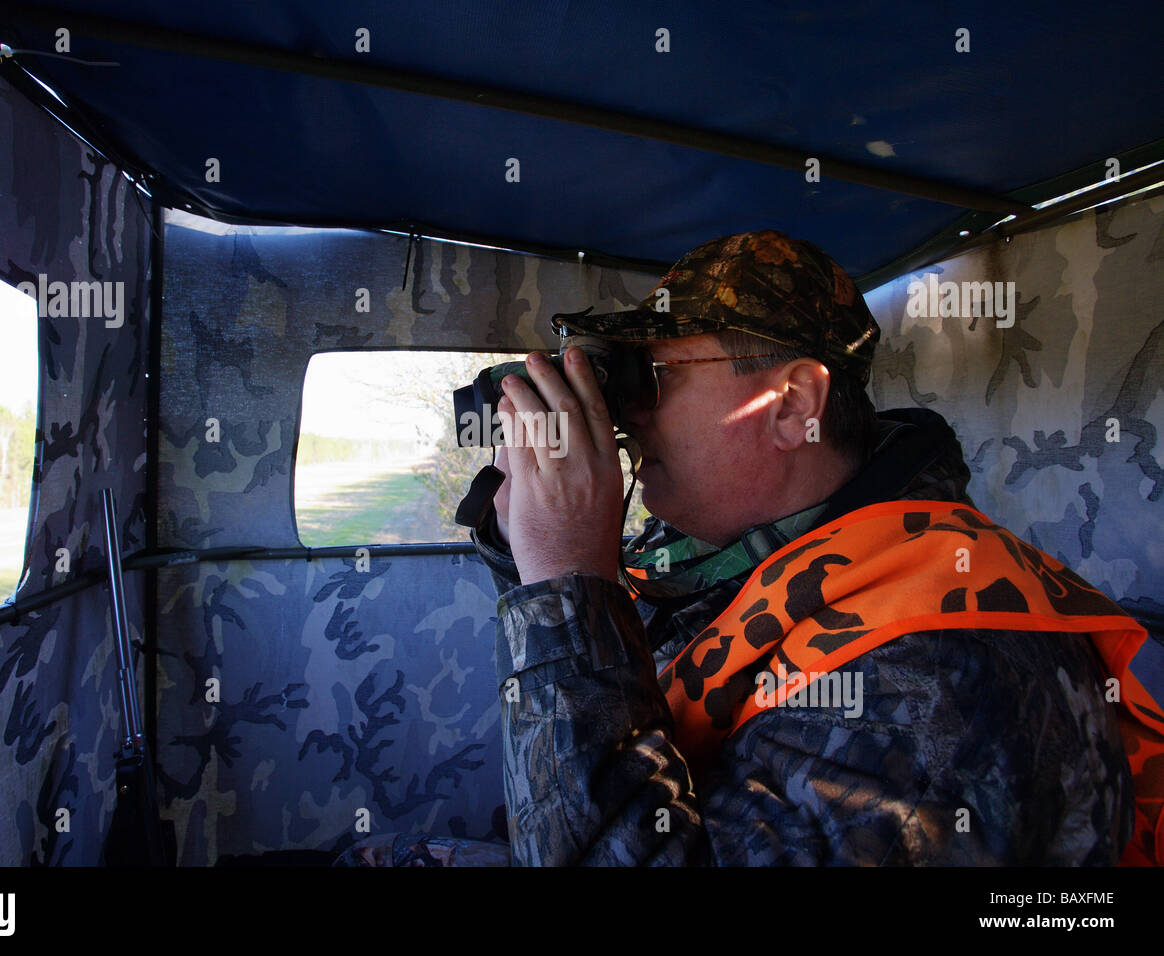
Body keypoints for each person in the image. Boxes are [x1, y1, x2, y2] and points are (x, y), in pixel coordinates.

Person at [466, 229, 1156, 866]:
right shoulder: (737, 557)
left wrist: (565, 580)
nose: (628, 411)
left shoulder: (941, 667)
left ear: (795, 405)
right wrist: (533, 557)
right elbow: (616, 702)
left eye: (654, 375)